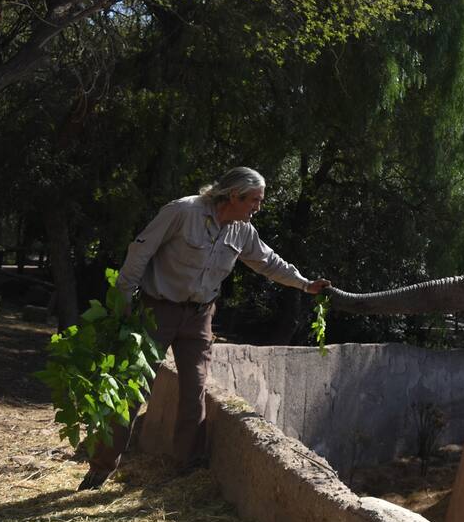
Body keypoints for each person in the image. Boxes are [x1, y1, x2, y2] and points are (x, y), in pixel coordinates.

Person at [78, 167, 329, 490]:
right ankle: (101, 467)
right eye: (255, 200)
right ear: (234, 195)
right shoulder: (182, 211)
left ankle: (185, 472)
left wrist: (305, 284)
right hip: (157, 311)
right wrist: (123, 299)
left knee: (194, 390)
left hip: (200, 316)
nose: (258, 207)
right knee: (132, 388)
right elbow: (141, 250)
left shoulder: (243, 231)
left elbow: (268, 262)